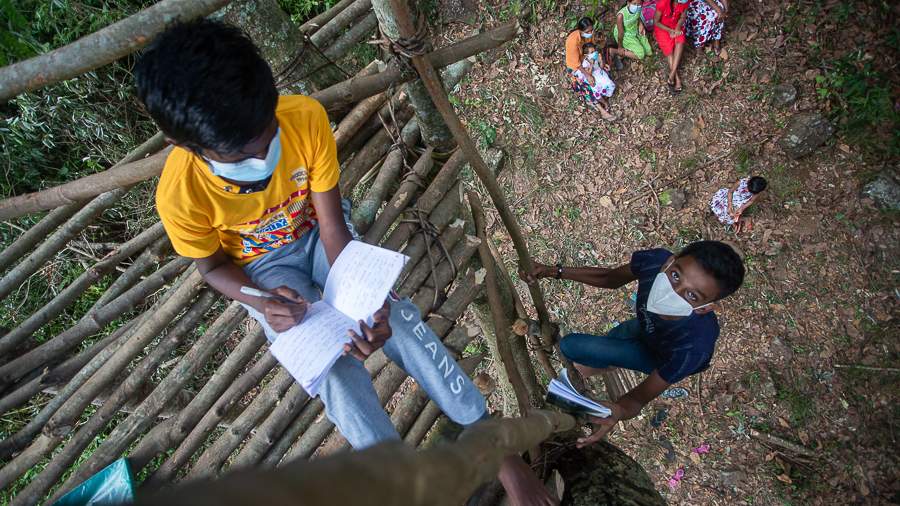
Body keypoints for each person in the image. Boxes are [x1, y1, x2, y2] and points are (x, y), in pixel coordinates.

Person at [135, 19, 555, 506]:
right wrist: (260, 300)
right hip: (263, 273)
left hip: (319, 234)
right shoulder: (180, 195)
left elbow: (332, 227)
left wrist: (364, 298)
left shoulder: (303, 117)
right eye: (246, 153)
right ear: (186, 147)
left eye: (269, 129)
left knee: (395, 315)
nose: (265, 149)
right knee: (331, 368)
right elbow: (212, 270)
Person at [520, 241, 745, 447]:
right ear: (669, 261)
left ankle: (602, 365)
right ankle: (600, 365)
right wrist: (553, 271)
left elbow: (638, 398)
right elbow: (610, 278)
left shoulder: (692, 348)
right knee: (607, 345)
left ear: (705, 308)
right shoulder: (653, 262)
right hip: (644, 326)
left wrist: (617, 410)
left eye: (692, 296)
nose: (672, 292)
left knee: (572, 346)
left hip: (660, 357)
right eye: (675, 276)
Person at [565, 16, 616, 121]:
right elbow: (575, 63)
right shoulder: (573, 41)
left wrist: (601, 62)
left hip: (588, 61)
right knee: (586, 84)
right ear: (580, 30)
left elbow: (592, 50)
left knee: (603, 73)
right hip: (576, 67)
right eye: (588, 31)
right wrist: (587, 75)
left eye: (592, 29)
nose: (591, 32)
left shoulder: (588, 36)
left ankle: (601, 96)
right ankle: (602, 110)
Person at [653, 0, 690, 93]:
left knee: (680, 40)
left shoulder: (685, 2)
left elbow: (682, 17)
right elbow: (656, 21)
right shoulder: (663, 3)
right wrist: (670, 31)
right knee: (669, 51)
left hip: (675, 25)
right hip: (663, 28)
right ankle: (677, 79)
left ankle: (671, 75)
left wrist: (677, 27)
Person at [609, 0, 653, 64]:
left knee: (649, 51)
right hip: (625, 35)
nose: (637, 6)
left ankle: (631, 48)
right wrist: (620, 47)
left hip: (634, 30)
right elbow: (620, 33)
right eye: (634, 3)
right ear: (628, 3)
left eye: (639, 4)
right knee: (641, 54)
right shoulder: (621, 16)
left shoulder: (639, 8)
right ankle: (614, 51)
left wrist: (641, 24)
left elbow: (638, 17)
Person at [579, 42, 616, 108]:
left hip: (599, 73)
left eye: (594, 51)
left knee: (609, 84)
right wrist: (591, 64)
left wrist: (601, 60)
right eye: (592, 52)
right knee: (596, 92)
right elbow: (588, 74)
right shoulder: (585, 63)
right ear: (586, 55)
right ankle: (604, 102)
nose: (594, 53)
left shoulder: (596, 58)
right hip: (592, 78)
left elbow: (601, 67)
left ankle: (607, 95)